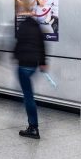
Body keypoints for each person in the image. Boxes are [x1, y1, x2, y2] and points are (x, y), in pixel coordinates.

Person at [14, 9, 47, 139]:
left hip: (23, 65)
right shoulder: (37, 27)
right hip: (33, 64)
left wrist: (15, 56)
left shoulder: (22, 26)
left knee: (28, 97)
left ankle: (33, 127)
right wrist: (43, 62)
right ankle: (32, 126)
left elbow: (18, 44)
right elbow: (42, 45)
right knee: (28, 95)